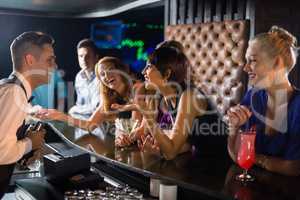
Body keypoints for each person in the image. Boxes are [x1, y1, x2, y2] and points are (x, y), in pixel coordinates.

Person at [114, 45, 211, 160]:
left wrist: (147, 115)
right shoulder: (163, 96)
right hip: (197, 159)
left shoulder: (189, 97)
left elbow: (171, 152)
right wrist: (125, 138)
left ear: (167, 74)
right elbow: (148, 131)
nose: (143, 71)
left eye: (149, 66)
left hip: (219, 163)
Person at [226, 26, 300, 176]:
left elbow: (294, 168)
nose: (246, 68)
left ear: (278, 63)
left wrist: (256, 159)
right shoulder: (252, 97)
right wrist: (234, 128)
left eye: (252, 60)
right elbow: (237, 156)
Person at [0, 31, 56, 197]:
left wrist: (27, 148)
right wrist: (30, 143)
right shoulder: (14, 93)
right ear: (30, 60)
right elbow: (1, 152)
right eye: (50, 60)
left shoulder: (11, 88)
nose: (55, 65)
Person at [35, 57, 143, 134]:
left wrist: (123, 135)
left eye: (110, 70)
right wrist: (59, 115)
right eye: (102, 74)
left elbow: (135, 126)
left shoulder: (137, 88)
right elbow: (90, 125)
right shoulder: (110, 98)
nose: (106, 76)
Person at [68, 39, 101, 119]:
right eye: (81, 56)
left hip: (100, 126)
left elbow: (96, 108)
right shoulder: (79, 77)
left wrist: (75, 109)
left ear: (96, 57)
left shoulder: (102, 76)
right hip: (83, 123)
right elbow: (80, 104)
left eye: (88, 56)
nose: (84, 60)